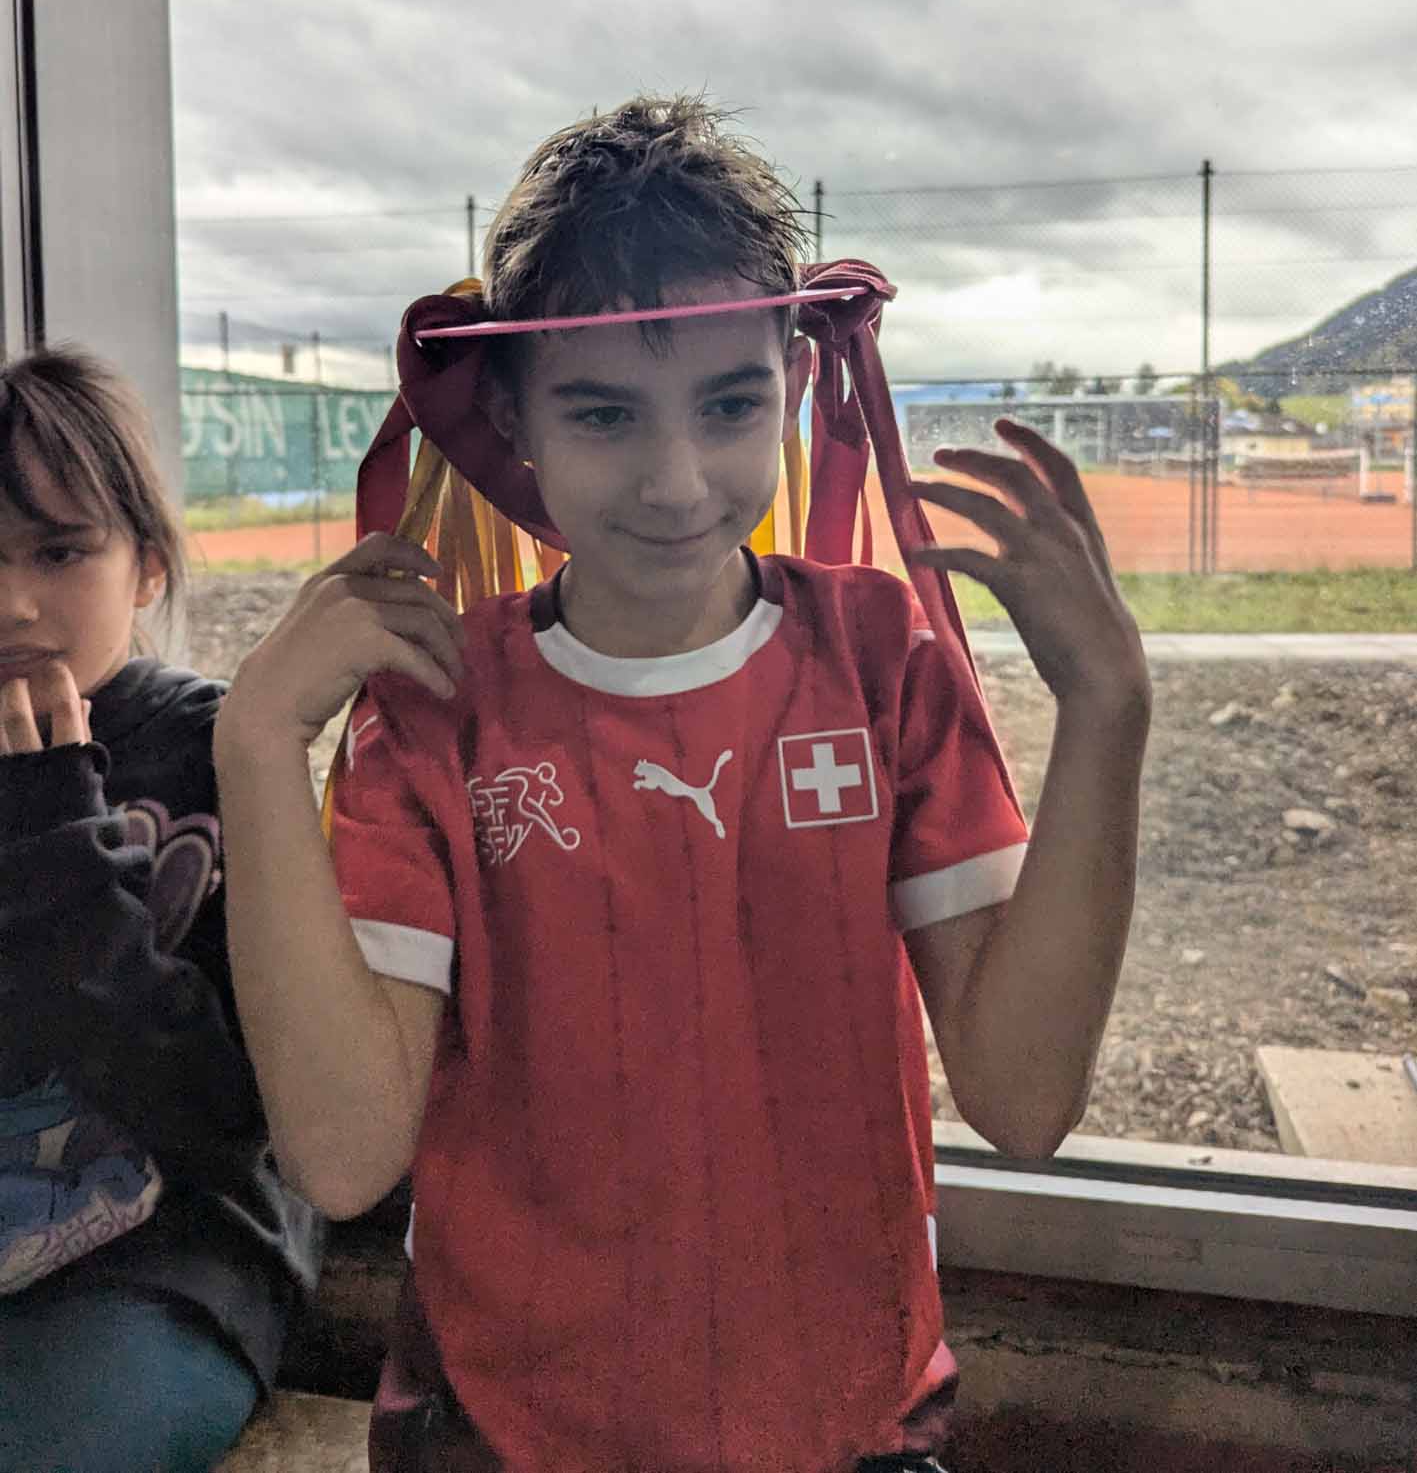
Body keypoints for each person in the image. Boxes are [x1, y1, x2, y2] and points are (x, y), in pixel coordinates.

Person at [216, 95, 1151, 1473]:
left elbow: (1022, 1096)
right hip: (502, 1432)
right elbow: (344, 1155)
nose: (675, 480)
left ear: (794, 381)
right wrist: (253, 745)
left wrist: (1107, 714)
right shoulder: (438, 706)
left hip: (845, 1420)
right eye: (604, 412)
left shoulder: (879, 663)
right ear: (513, 417)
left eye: (728, 404)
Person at [0, 349, 322, 1473]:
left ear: (146, 566)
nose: (10, 603)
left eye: (61, 551)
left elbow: (225, 1115)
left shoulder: (218, 749)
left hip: (166, 1268)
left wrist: (55, 849)